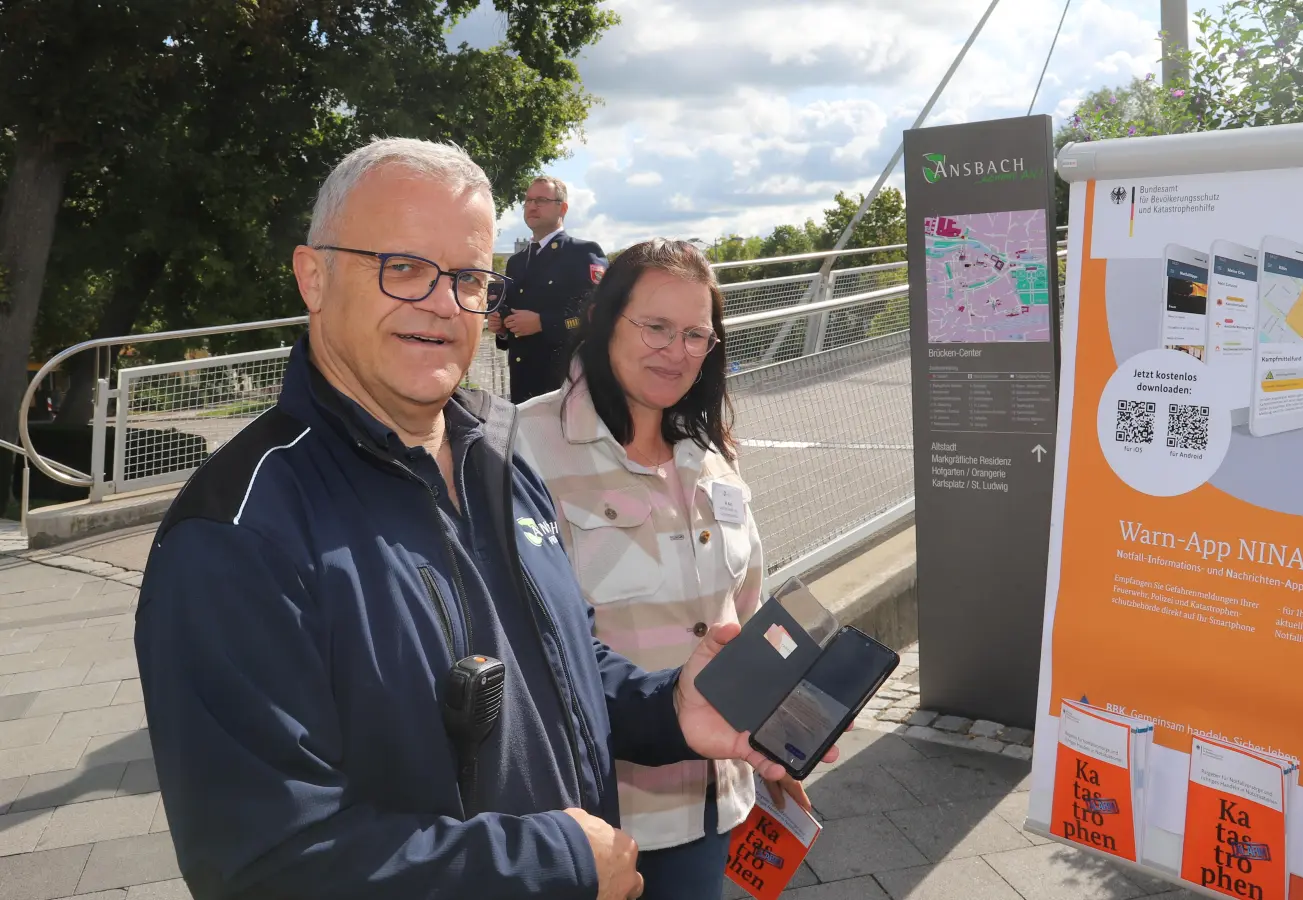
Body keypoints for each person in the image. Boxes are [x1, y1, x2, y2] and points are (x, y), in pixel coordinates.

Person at [132, 138, 829, 900]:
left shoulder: (494, 450)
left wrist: (668, 707)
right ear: (314, 276)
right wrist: (554, 860)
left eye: (467, 278)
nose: (440, 303)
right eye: (401, 267)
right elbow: (261, 865)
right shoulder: (236, 534)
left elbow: (556, 666)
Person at [517, 239, 801, 898]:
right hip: (600, 815)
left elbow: (743, 609)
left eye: (696, 334)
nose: (676, 351)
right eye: (656, 327)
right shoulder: (525, 446)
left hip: (716, 799)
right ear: (605, 319)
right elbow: (530, 644)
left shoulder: (710, 451)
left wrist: (779, 752)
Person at [490, 175, 609, 402]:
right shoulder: (516, 261)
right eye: (528, 201)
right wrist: (503, 327)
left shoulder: (582, 253)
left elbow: (599, 315)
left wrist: (543, 323)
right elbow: (516, 315)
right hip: (522, 388)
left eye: (541, 200)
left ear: (562, 208)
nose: (532, 206)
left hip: (565, 389)